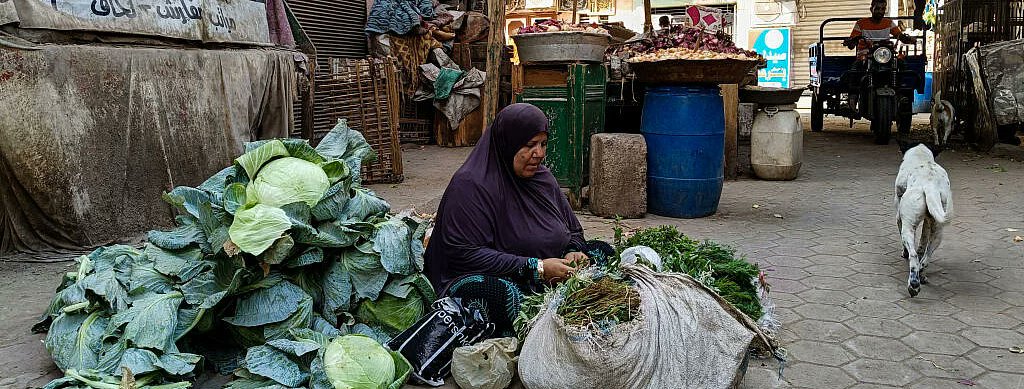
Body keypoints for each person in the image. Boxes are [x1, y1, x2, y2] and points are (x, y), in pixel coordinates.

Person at [424, 103, 613, 337]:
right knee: (501, 296)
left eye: (543, 144)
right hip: (489, 275)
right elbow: (465, 254)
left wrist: (573, 251)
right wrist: (537, 268)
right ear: (508, 143)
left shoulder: (542, 179)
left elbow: (573, 229)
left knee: (602, 251)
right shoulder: (471, 185)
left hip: (550, 268)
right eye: (529, 145)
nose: (540, 154)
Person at [843, 0, 916, 110]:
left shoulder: (888, 23)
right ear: (871, 9)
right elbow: (852, 43)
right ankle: (852, 98)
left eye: (882, 9)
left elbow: (899, 35)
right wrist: (851, 41)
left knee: (901, 65)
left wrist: (908, 39)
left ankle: (900, 94)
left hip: (885, 56)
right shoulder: (861, 24)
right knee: (855, 69)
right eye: (877, 8)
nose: (880, 11)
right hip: (866, 56)